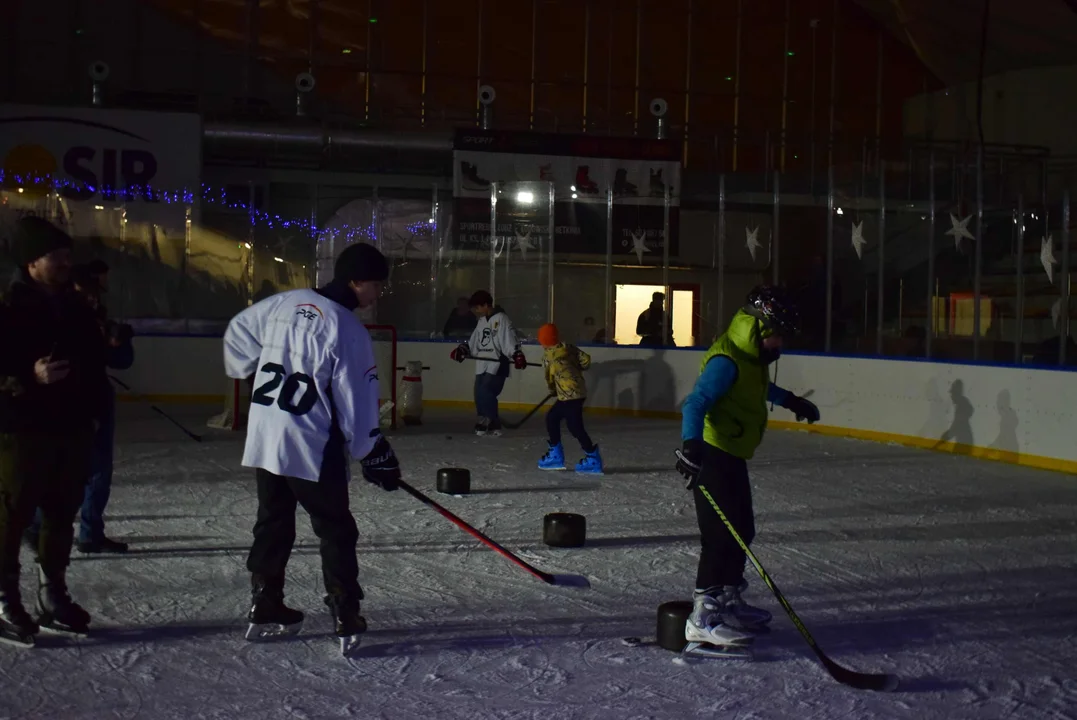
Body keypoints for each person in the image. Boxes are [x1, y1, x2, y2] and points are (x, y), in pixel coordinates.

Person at [222, 242, 402, 656]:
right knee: (335, 527)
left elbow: (239, 331)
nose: (378, 294)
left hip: (267, 432)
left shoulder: (286, 302)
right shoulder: (348, 329)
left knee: (273, 520)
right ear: (356, 282)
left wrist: (249, 377)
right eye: (376, 285)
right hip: (309, 441)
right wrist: (372, 451)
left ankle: (265, 603)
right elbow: (357, 399)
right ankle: (346, 612)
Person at [675, 285, 820, 650]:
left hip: (732, 452)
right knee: (720, 537)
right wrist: (691, 447)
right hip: (711, 453)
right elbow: (695, 403)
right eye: (780, 336)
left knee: (743, 529)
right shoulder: (727, 360)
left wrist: (790, 400)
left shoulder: (751, 358)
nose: (781, 346)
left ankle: (726, 601)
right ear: (762, 330)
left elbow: (756, 389)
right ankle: (702, 618)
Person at [0, 217, 108, 644]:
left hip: (72, 427)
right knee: (13, 515)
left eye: (67, 255)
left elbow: (95, 364)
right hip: (23, 428)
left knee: (62, 513)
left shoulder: (77, 307)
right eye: (56, 256)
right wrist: (28, 377)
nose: (67, 263)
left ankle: (52, 593)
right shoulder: (7, 309)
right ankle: (6, 597)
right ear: (31, 262)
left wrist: (95, 411)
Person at [24, 261, 135, 554]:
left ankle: (89, 532)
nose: (97, 295)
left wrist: (119, 341)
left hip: (95, 397)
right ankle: (38, 529)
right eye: (93, 287)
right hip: (66, 400)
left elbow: (120, 361)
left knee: (97, 470)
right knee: (57, 467)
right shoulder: (56, 315)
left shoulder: (95, 315)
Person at [449, 290, 526, 436]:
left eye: (478, 307)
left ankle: (493, 421)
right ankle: (484, 418)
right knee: (478, 393)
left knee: (486, 391)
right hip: (482, 363)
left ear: (485, 305)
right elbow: (474, 341)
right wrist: (463, 349)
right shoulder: (482, 321)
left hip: (497, 363)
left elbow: (509, 339)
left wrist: (517, 354)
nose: (476, 311)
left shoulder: (502, 319)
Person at [535, 323, 602, 474]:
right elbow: (586, 360)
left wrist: (553, 389)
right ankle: (556, 453)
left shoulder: (548, 357)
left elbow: (549, 377)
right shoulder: (569, 347)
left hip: (568, 395)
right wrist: (574, 366)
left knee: (575, 427)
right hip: (578, 392)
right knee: (553, 418)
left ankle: (592, 458)